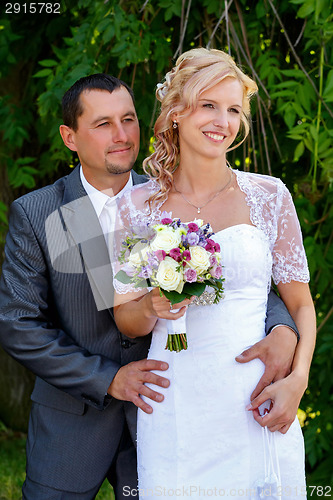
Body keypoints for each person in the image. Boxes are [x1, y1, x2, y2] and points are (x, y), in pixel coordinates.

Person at [0, 72, 300, 499]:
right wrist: (109, 379)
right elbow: (18, 324)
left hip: (170, 412)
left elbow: (242, 279)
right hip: (74, 421)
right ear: (70, 137)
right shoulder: (39, 213)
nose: (121, 135)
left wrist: (284, 330)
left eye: (129, 119)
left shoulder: (166, 198)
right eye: (103, 124)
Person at [112, 48, 316, 498]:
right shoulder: (135, 206)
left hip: (256, 398)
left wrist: (297, 380)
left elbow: (300, 303)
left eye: (233, 110)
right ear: (177, 113)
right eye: (209, 105)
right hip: (175, 400)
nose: (222, 121)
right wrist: (152, 304)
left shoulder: (269, 196)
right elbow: (125, 316)